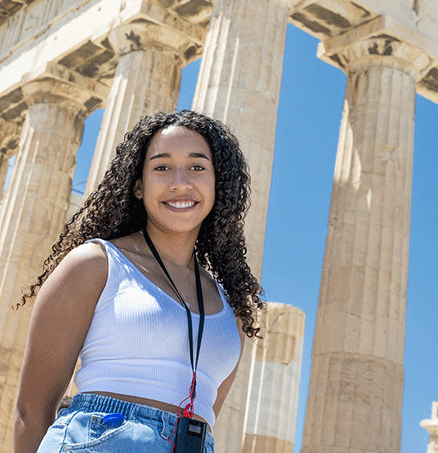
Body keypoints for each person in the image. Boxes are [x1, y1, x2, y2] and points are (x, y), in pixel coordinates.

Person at [14, 110, 264, 453]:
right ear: (137, 185)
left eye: (197, 167)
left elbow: (204, 420)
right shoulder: (96, 264)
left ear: (218, 183)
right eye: (161, 167)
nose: (180, 182)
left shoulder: (231, 309)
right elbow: (31, 411)